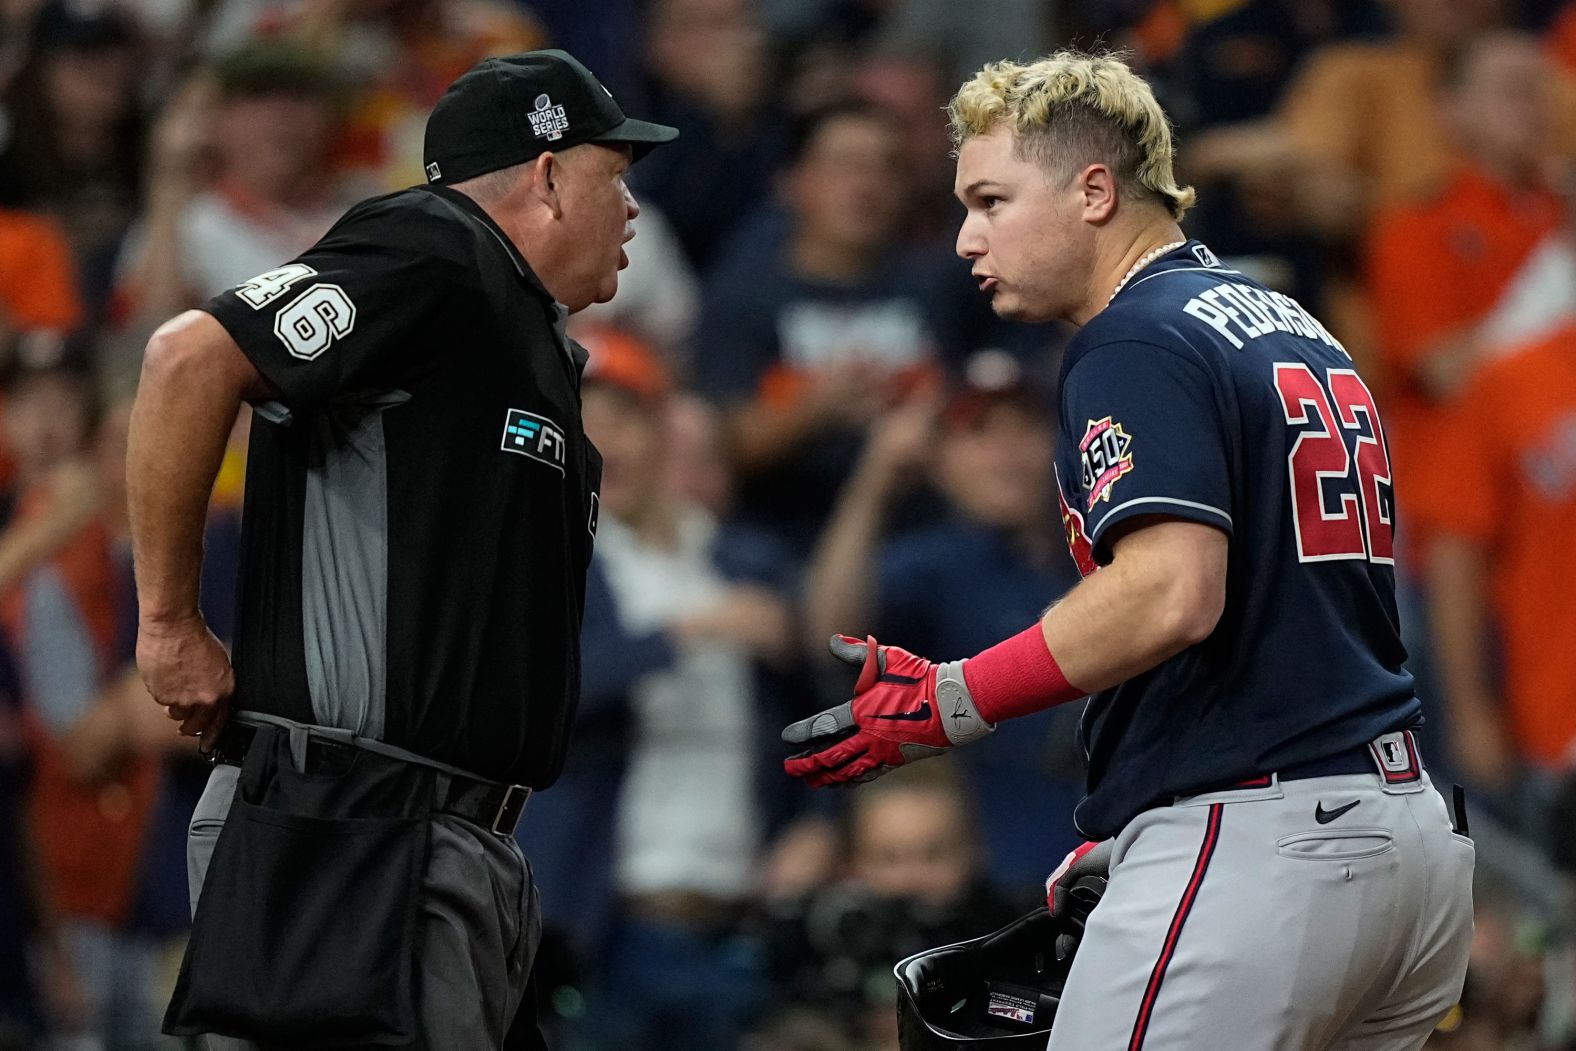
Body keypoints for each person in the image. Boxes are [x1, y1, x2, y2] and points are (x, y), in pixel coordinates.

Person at [782, 49, 1474, 1048]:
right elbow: (1276, 624)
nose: (967, 238)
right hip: (1400, 838)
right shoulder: (1287, 322)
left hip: (1263, 844)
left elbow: (1169, 593)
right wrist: (1138, 818)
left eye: (991, 200)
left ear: (1094, 189)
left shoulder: (1134, 335)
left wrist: (952, 698)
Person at [125, 48, 675, 1051]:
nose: (632, 208)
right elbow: (188, 357)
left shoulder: (519, 327)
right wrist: (169, 621)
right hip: (353, 828)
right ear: (547, 172)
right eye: (616, 175)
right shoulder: (433, 248)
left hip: (447, 840)